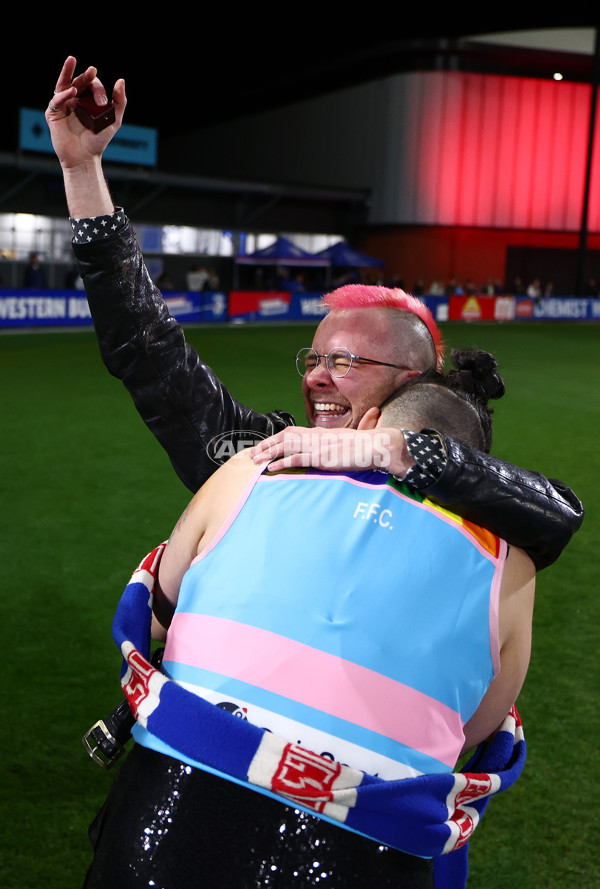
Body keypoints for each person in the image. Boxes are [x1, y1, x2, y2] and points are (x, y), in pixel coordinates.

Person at [45, 57, 582, 572]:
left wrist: (390, 450)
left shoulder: (458, 492)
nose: (315, 376)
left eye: (345, 361)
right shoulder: (269, 459)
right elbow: (149, 352)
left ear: (411, 382)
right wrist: (83, 168)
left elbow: (558, 513)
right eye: (315, 358)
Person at [80, 351, 535, 889]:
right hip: (367, 864)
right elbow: (475, 729)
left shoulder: (250, 475)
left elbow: (162, 611)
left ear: (366, 427)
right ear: (476, 473)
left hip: (165, 823)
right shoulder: (511, 567)